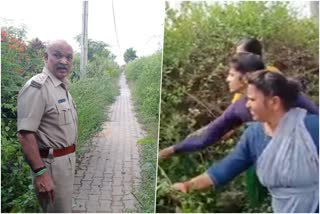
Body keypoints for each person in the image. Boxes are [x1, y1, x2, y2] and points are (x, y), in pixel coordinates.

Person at [172, 70, 319, 213]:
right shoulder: (254, 135)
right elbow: (227, 167)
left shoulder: (312, 129)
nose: (247, 105)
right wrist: (189, 185)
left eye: (252, 99)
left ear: (274, 102)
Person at [17, 40, 78, 212]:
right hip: (50, 166)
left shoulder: (61, 87)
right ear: (46, 57)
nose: (64, 61)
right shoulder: (38, 87)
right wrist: (40, 173)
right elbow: (25, 134)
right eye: (57, 55)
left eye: (68, 57)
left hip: (65, 163)